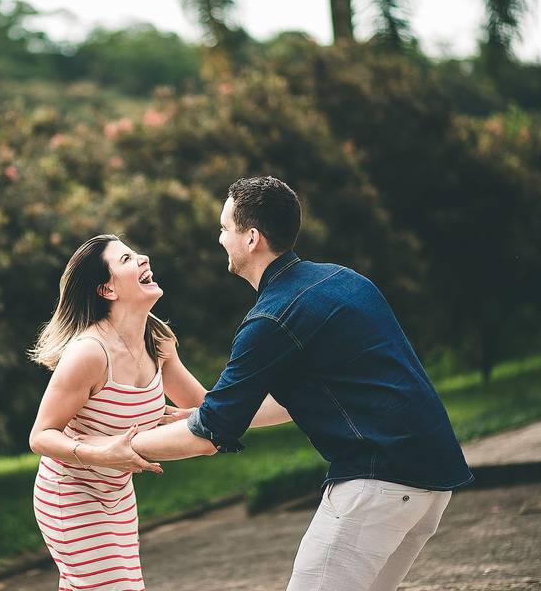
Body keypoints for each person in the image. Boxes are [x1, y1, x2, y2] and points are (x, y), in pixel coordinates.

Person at [85, 176, 474, 591]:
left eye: (224, 229)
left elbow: (209, 434)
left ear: (251, 238)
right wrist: (205, 414)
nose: (220, 239)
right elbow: (295, 400)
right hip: (432, 480)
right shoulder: (342, 280)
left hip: (380, 482)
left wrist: (116, 449)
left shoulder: (271, 319)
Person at [28, 233, 291, 591]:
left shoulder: (158, 343)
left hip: (117, 494)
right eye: (125, 260)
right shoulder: (89, 353)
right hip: (71, 494)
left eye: (135, 253)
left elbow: (205, 405)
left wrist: (293, 400)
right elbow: (40, 436)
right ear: (107, 290)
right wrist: (99, 452)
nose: (143, 258)